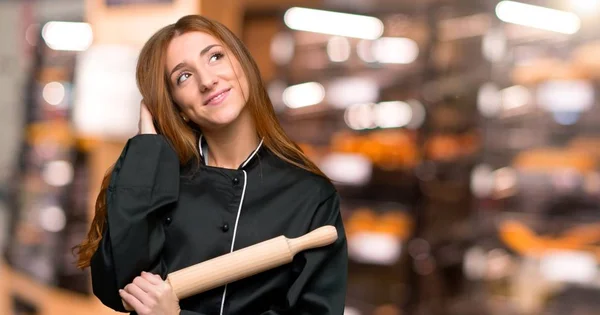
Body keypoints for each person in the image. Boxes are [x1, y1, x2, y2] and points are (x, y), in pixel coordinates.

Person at [74, 14, 348, 315]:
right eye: (184, 76)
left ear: (242, 62)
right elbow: (117, 287)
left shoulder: (309, 197)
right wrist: (146, 149)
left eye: (215, 57)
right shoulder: (162, 180)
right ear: (177, 106)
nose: (207, 81)